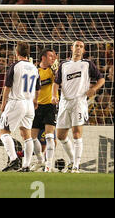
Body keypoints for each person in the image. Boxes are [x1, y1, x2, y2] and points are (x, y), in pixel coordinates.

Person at [52, 40, 105, 173]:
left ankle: (76, 166)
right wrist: (54, 95)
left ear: (84, 51)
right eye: (77, 46)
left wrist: (94, 89)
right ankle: (72, 161)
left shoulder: (87, 64)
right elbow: (56, 83)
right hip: (64, 102)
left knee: (76, 133)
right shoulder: (64, 64)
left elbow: (101, 79)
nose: (78, 48)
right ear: (72, 48)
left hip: (79, 102)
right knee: (60, 135)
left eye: (81, 47)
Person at [0, 42, 40, 172]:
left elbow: (7, 86)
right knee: (26, 134)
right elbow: (38, 87)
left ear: (16, 52)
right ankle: (26, 165)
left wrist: (3, 102)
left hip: (16, 101)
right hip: (29, 104)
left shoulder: (15, 66)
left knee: (4, 132)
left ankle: (13, 159)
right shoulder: (34, 67)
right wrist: (35, 100)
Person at [31, 48, 58, 172]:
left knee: (49, 137)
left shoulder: (54, 71)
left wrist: (57, 71)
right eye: (50, 56)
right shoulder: (34, 71)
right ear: (43, 58)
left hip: (49, 106)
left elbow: (59, 82)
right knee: (32, 137)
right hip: (36, 106)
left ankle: (48, 165)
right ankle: (40, 160)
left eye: (54, 56)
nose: (53, 58)